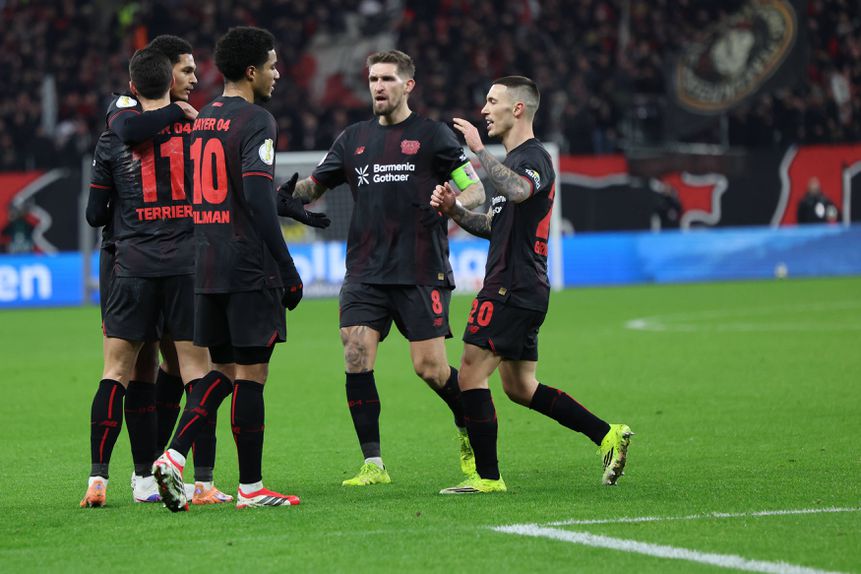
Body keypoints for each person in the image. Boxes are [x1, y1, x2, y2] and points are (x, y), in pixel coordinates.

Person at [288, 50, 486, 486]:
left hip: (420, 269)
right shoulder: (353, 138)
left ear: (408, 85)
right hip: (364, 271)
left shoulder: (433, 135)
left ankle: (468, 427)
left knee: (430, 369)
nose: (378, 86)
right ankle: (373, 465)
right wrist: (283, 194)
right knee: (355, 352)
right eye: (373, 79)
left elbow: (474, 191)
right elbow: (313, 186)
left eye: (388, 79)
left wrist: (455, 203)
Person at [431, 76, 632, 494]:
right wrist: (454, 210)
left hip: (511, 285)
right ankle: (607, 435)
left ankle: (487, 478)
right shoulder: (514, 161)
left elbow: (520, 191)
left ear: (517, 109)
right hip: (522, 286)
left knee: (469, 373)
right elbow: (494, 225)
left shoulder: (533, 158)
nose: (483, 110)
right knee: (520, 387)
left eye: (492, 101)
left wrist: (480, 152)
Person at [152, 26, 316, 511]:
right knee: (252, 374)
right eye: (272, 65)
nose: (277, 73)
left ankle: (175, 457)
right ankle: (249, 487)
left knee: (222, 370)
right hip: (247, 266)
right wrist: (287, 267)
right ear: (251, 71)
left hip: (207, 265)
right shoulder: (257, 120)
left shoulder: (202, 120)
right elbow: (259, 201)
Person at [100, 34, 233, 505]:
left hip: (170, 259)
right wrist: (177, 114)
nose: (195, 80)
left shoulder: (198, 126)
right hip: (131, 258)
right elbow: (131, 133)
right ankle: (146, 472)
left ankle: (182, 469)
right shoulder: (124, 110)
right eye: (187, 71)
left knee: (174, 366)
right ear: (162, 73)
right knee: (143, 367)